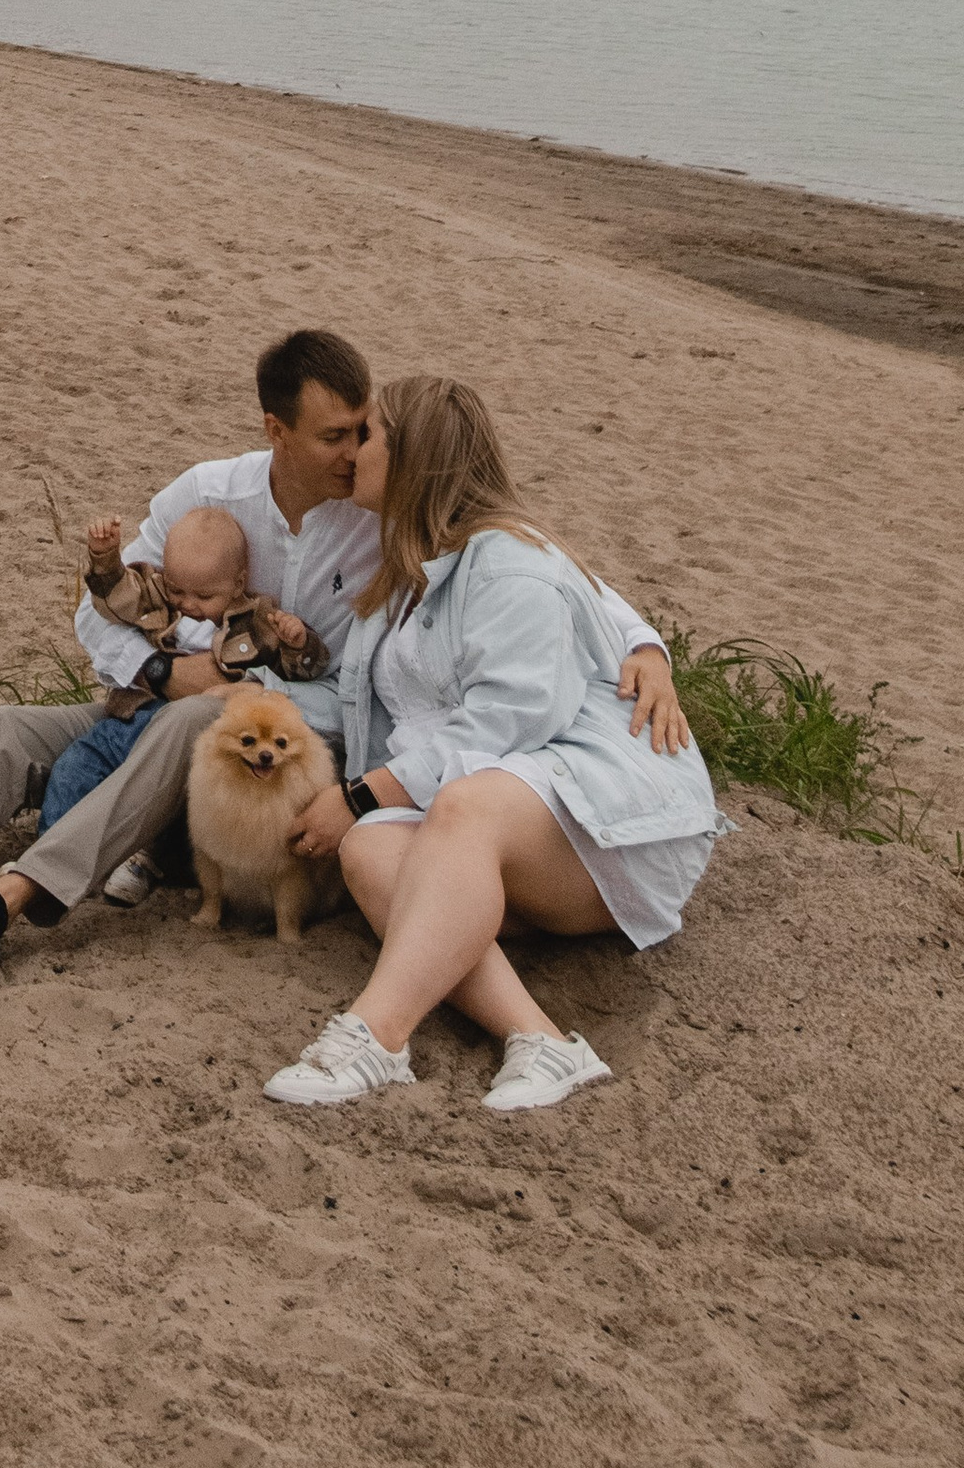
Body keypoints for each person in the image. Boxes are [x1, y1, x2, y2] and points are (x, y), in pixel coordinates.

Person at [0, 324, 688, 989]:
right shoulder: (210, 494)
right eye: (334, 435)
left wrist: (643, 645)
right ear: (275, 432)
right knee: (13, 731)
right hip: (185, 702)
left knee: (198, 725)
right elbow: (107, 615)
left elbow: (547, 569)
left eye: (362, 434)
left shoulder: (390, 526)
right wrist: (166, 671)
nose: (350, 453)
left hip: (292, 742)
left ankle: (13, 894)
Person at [261, 371, 722, 1116]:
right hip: (509, 820)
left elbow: (506, 724)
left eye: (369, 434)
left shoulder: (510, 562)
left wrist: (363, 792)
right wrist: (251, 698)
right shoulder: (409, 571)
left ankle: (375, 1036)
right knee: (371, 851)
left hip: (614, 818)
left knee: (462, 800)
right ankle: (543, 1041)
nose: (352, 451)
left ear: (414, 455)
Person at [32, 501, 257, 839]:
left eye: (204, 595)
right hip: (133, 718)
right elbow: (121, 598)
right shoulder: (162, 601)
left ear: (238, 585)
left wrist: (297, 641)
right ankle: (48, 846)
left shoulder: (252, 624)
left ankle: (140, 859)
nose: (188, 604)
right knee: (76, 766)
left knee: (162, 800)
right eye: (177, 589)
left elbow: (290, 666)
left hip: (192, 737)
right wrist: (106, 561)